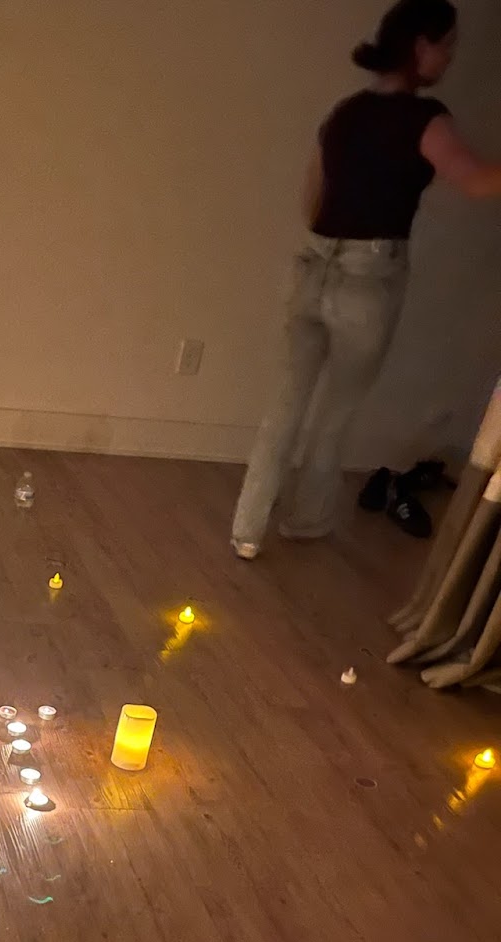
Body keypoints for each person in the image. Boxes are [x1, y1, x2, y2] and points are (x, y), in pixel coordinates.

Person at [231, 0, 501, 561]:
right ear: (419, 45)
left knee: (285, 404)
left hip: (312, 265)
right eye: (446, 45)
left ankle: (247, 529)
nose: (450, 57)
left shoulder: (345, 112)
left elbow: (311, 200)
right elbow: (475, 180)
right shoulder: (423, 117)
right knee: (336, 410)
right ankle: (305, 521)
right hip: (368, 275)